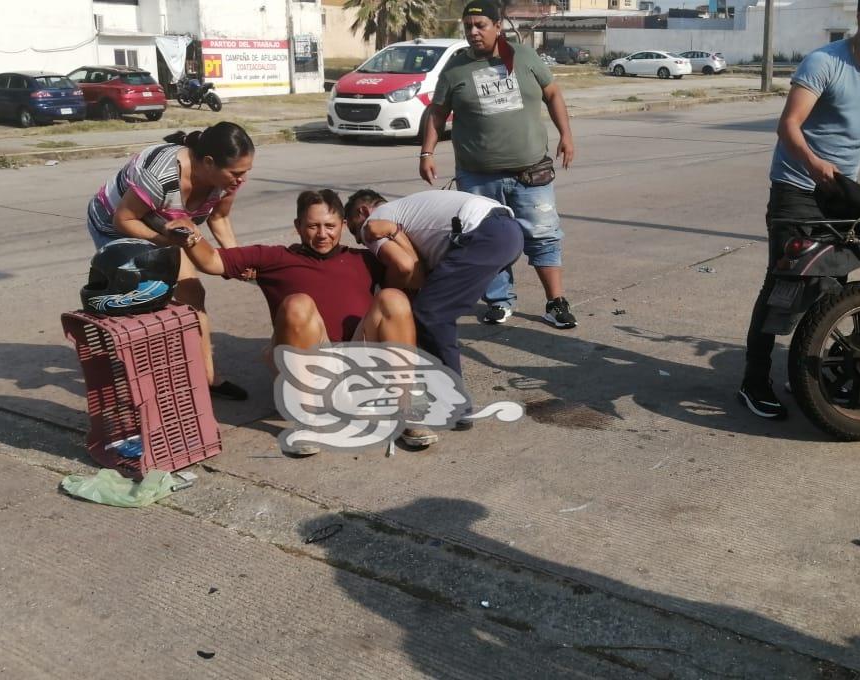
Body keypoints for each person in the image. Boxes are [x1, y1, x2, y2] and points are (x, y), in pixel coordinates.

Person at [737, 0, 860, 421]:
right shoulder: (824, 62)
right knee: (783, 287)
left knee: (831, 289)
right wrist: (814, 163)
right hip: (797, 189)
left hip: (842, 197)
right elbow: (789, 125)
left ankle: (805, 371)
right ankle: (753, 381)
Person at [172, 189, 437, 451]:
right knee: (298, 303)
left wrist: (395, 233)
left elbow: (413, 275)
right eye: (312, 226)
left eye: (330, 226)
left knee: (394, 298)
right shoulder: (275, 258)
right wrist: (192, 235)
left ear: (343, 226)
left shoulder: (364, 259)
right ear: (298, 226)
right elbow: (212, 261)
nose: (322, 234)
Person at [418, 0, 578, 330]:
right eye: (468, 27)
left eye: (480, 25)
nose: (473, 32)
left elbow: (553, 94)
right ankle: (499, 301)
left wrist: (566, 135)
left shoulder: (525, 56)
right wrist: (426, 153)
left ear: (497, 27)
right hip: (477, 175)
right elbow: (437, 112)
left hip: (530, 171)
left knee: (544, 235)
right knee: (486, 239)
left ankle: (555, 302)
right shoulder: (456, 69)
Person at [86, 121, 255, 400]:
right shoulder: (161, 175)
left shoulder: (226, 182)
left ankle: (207, 378)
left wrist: (236, 259)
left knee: (192, 292)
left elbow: (219, 218)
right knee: (143, 299)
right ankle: (140, 385)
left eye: (246, 172)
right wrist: (166, 240)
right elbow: (124, 219)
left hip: (167, 225)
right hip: (116, 225)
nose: (241, 179)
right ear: (209, 163)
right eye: (236, 173)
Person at [343, 189, 524, 418]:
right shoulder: (407, 211)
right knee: (431, 310)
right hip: (508, 231)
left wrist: (388, 296)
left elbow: (405, 267)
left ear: (363, 211)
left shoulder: (373, 223)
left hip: (482, 236)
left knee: (431, 314)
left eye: (353, 230)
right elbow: (418, 271)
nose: (359, 239)